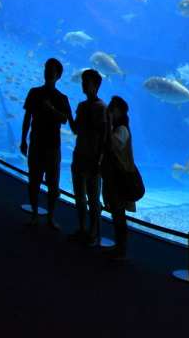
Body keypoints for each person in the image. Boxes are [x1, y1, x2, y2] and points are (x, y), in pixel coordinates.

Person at [20, 58, 71, 229]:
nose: (48, 73)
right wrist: (23, 140)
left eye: (52, 70)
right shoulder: (34, 92)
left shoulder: (62, 98)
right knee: (33, 180)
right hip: (35, 143)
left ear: (58, 76)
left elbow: (65, 120)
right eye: (47, 69)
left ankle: (50, 216)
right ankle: (35, 213)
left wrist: (51, 109)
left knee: (53, 184)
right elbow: (27, 117)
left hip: (52, 147)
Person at [70, 69, 107, 246]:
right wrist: (68, 114)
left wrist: (100, 160)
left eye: (87, 82)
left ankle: (93, 231)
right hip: (79, 155)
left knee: (93, 198)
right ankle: (82, 228)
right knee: (79, 196)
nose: (83, 85)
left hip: (92, 158)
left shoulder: (101, 108)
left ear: (96, 85)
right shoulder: (82, 106)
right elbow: (75, 130)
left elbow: (104, 136)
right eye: (83, 81)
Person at [101, 95, 137, 260]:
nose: (109, 110)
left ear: (120, 111)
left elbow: (113, 145)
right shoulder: (117, 128)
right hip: (114, 178)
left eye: (112, 108)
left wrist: (107, 125)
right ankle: (119, 246)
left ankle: (121, 249)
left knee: (119, 213)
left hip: (120, 179)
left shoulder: (121, 129)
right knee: (116, 213)